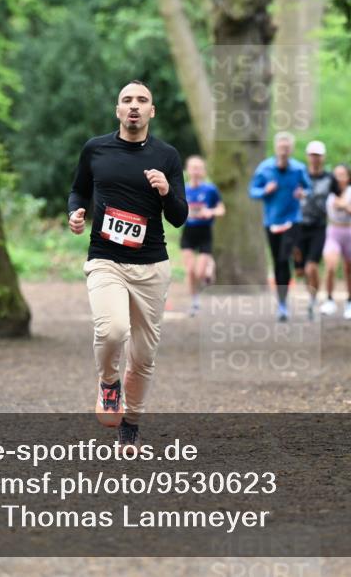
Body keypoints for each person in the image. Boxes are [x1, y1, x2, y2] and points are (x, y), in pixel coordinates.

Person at [68, 80, 187, 453]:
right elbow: (78, 189)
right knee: (114, 330)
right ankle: (108, 382)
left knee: (144, 356)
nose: (133, 106)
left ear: (152, 111)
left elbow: (180, 217)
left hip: (151, 266)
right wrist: (75, 212)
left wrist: (167, 191)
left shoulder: (167, 156)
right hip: (106, 259)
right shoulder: (96, 149)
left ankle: (131, 424)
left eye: (142, 101)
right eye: (126, 100)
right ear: (118, 110)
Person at [249, 131, 311, 322]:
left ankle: (298, 260)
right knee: (278, 262)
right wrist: (264, 190)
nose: (284, 150)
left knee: (285, 256)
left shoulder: (299, 169)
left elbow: (309, 188)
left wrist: (303, 192)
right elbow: (252, 191)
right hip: (272, 221)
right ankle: (282, 304)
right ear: (276, 148)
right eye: (281, 147)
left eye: (287, 147)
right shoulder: (265, 168)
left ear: (291, 149)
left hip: (292, 219)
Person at [293, 140, 333, 319]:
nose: (315, 158)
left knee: (311, 268)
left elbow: (339, 197)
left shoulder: (329, 179)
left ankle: (313, 300)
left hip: (318, 226)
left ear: (323, 157)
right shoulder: (299, 176)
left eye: (318, 155)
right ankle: (311, 292)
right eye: (312, 155)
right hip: (299, 225)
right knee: (301, 270)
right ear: (308, 156)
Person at [181, 155, 225, 316]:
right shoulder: (183, 189)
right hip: (188, 233)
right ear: (187, 170)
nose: (196, 171)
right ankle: (194, 301)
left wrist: (210, 211)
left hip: (205, 232)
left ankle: (209, 264)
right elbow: (175, 210)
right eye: (193, 168)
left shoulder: (210, 189)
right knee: (190, 271)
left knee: (200, 273)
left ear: (204, 171)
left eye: (199, 168)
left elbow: (221, 209)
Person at [320, 164, 351, 320]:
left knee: (349, 271)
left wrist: (346, 207)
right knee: (330, 266)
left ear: (348, 177)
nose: (339, 177)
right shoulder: (329, 192)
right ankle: (329, 300)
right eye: (336, 174)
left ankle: (350, 302)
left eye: (342, 174)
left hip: (350, 232)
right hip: (333, 231)